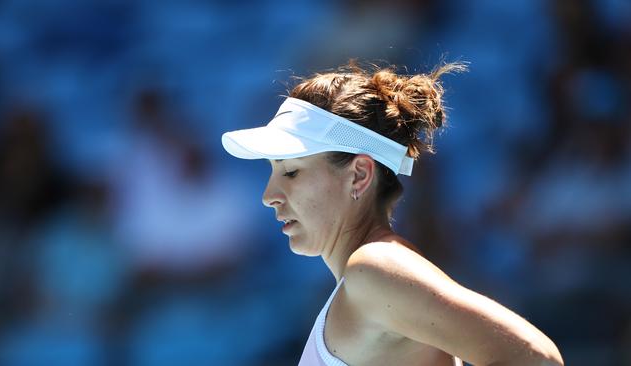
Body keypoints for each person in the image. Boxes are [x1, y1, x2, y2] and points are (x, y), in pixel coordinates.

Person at [221, 62, 564, 366]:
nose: (269, 196)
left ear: (359, 175)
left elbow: (536, 359)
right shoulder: (370, 277)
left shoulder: (374, 270)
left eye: (291, 172)